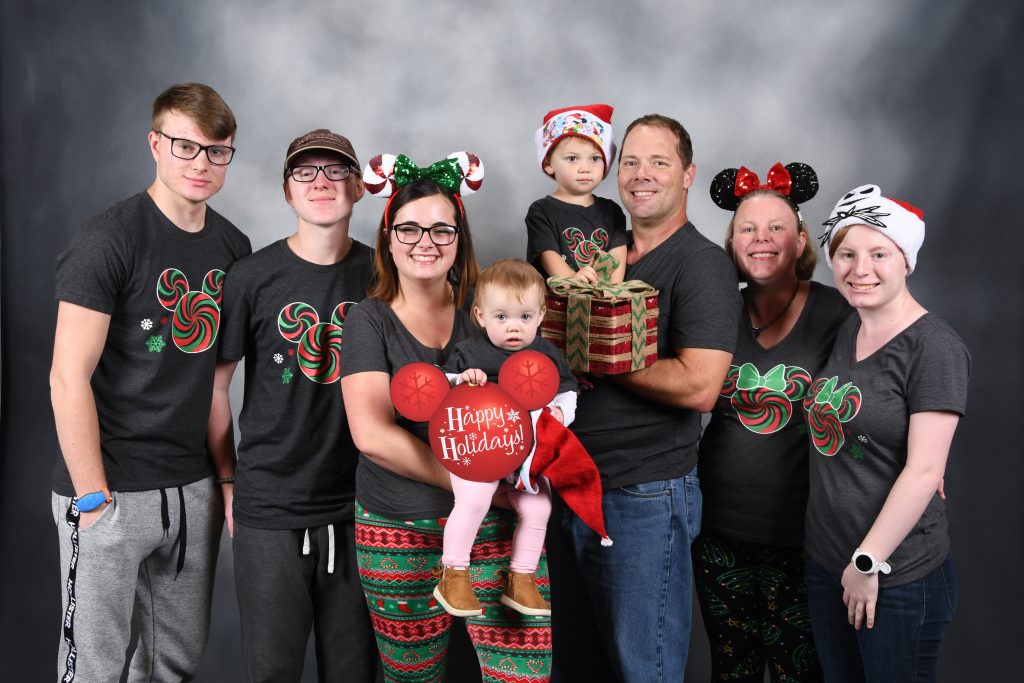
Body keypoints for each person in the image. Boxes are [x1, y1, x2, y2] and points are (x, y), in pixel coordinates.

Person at [49, 82, 250, 681]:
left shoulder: (231, 246)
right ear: (155, 145)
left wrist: (226, 482)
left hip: (191, 491)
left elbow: (217, 389)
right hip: (107, 489)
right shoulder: (109, 238)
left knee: (175, 662)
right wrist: (91, 498)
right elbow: (67, 378)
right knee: (95, 666)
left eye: (217, 152)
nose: (202, 164)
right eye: (186, 147)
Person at [546, 114, 741, 682]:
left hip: (644, 497)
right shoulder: (602, 261)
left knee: (645, 669)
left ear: (687, 174)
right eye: (630, 161)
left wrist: (599, 355)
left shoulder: (701, 264)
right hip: (573, 488)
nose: (641, 175)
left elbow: (701, 386)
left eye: (659, 162)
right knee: (579, 667)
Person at [340, 160, 553, 681]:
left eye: (442, 229)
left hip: (497, 527)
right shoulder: (370, 320)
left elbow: (537, 393)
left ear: (460, 238)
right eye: (409, 228)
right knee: (411, 677)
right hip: (398, 526)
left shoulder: (491, 315)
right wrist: (477, 486)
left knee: (523, 673)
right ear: (388, 238)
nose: (425, 241)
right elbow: (372, 435)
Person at [212, 128, 378, 681]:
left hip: (364, 508)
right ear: (287, 192)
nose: (321, 182)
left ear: (358, 188)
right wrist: (229, 484)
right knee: (272, 672)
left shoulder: (386, 275)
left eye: (335, 171)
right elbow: (217, 388)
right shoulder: (252, 277)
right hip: (270, 508)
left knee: (354, 673)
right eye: (305, 172)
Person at [804, 185, 969, 682]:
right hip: (826, 562)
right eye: (846, 255)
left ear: (906, 260)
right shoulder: (846, 327)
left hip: (895, 575)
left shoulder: (934, 347)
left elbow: (923, 472)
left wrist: (867, 561)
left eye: (879, 253)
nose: (861, 269)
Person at [694, 162, 850, 682]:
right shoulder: (714, 312)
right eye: (748, 229)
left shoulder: (839, 313)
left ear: (801, 237)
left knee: (798, 672)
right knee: (732, 670)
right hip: (716, 530)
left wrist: (922, 454)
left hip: (806, 536)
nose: (762, 239)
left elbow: (880, 393)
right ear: (732, 242)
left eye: (776, 227)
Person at [436, 258, 577, 618]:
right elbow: (442, 386)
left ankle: (522, 579)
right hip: (481, 447)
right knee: (475, 500)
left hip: (527, 454)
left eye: (524, 317)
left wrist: (561, 412)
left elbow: (568, 391)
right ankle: (453, 572)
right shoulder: (470, 351)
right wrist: (461, 379)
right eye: (502, 317)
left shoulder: (546, 354)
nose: (514, 327)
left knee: (540, 506)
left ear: (541, 315)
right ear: (481, 316)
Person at [526, 104, 627, 283]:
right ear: (549, 163)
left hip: (601, 300)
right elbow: (549, 255)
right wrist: (574, 279)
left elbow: (617, 256)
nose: (585, 169)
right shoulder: (541, 211)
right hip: (557, 302)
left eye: (595, 158)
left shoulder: (612, 211)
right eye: (572, 158)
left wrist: (612, 290)